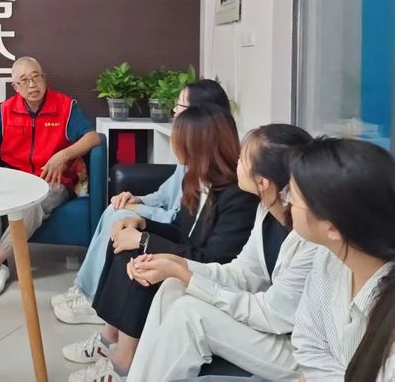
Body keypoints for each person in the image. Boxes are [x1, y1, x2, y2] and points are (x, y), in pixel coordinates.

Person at [65, 104, 258, 382]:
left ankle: (123, 365)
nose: (175, 144)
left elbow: (211, 259)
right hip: (191, 259)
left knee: (142, 262)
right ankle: (110, 338)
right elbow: (182, 232)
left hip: (207, 276)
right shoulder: (195, 179)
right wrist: (141, 224)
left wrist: (145, 241)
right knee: (122, 240)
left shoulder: (237, 198)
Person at [123, 124, 317, 381]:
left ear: (262, 182)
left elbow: (271, 315)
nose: (237, 161)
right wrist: (178, 265)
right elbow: (244, 273)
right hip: (275, 325)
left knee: (190, 314)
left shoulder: (309, 241)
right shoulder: (266, 211)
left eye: (243, 158)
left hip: (297, 352)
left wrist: (189, 277)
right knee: (172, 287)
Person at [53, 79, 231, 325]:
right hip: (169, 219)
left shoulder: (212, 169)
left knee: (120, 216)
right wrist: (136, 199)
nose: (174, 111)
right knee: (117, 209)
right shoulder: (190, 154)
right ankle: (85, 289)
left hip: (176, 229)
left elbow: (181, 219)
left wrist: (138, 213)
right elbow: (163, 195)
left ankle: (92, 299)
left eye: (180, 106)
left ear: (200, 115)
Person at [0, 56, 101, 297]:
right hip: (14, 179)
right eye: (24, 80)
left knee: (32, 204)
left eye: (36, 77)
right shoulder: (7, 109)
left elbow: (93, 137)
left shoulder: (66, 106)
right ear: (15, 87)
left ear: (44, 78)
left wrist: (63, 155)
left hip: (52, 180)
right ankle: (2, 267)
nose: (32, 84)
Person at [288, 138, 395, 381]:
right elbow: (307, 346)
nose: (288, 204)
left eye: (293, 198)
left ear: (333, 228)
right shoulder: (328, 257)